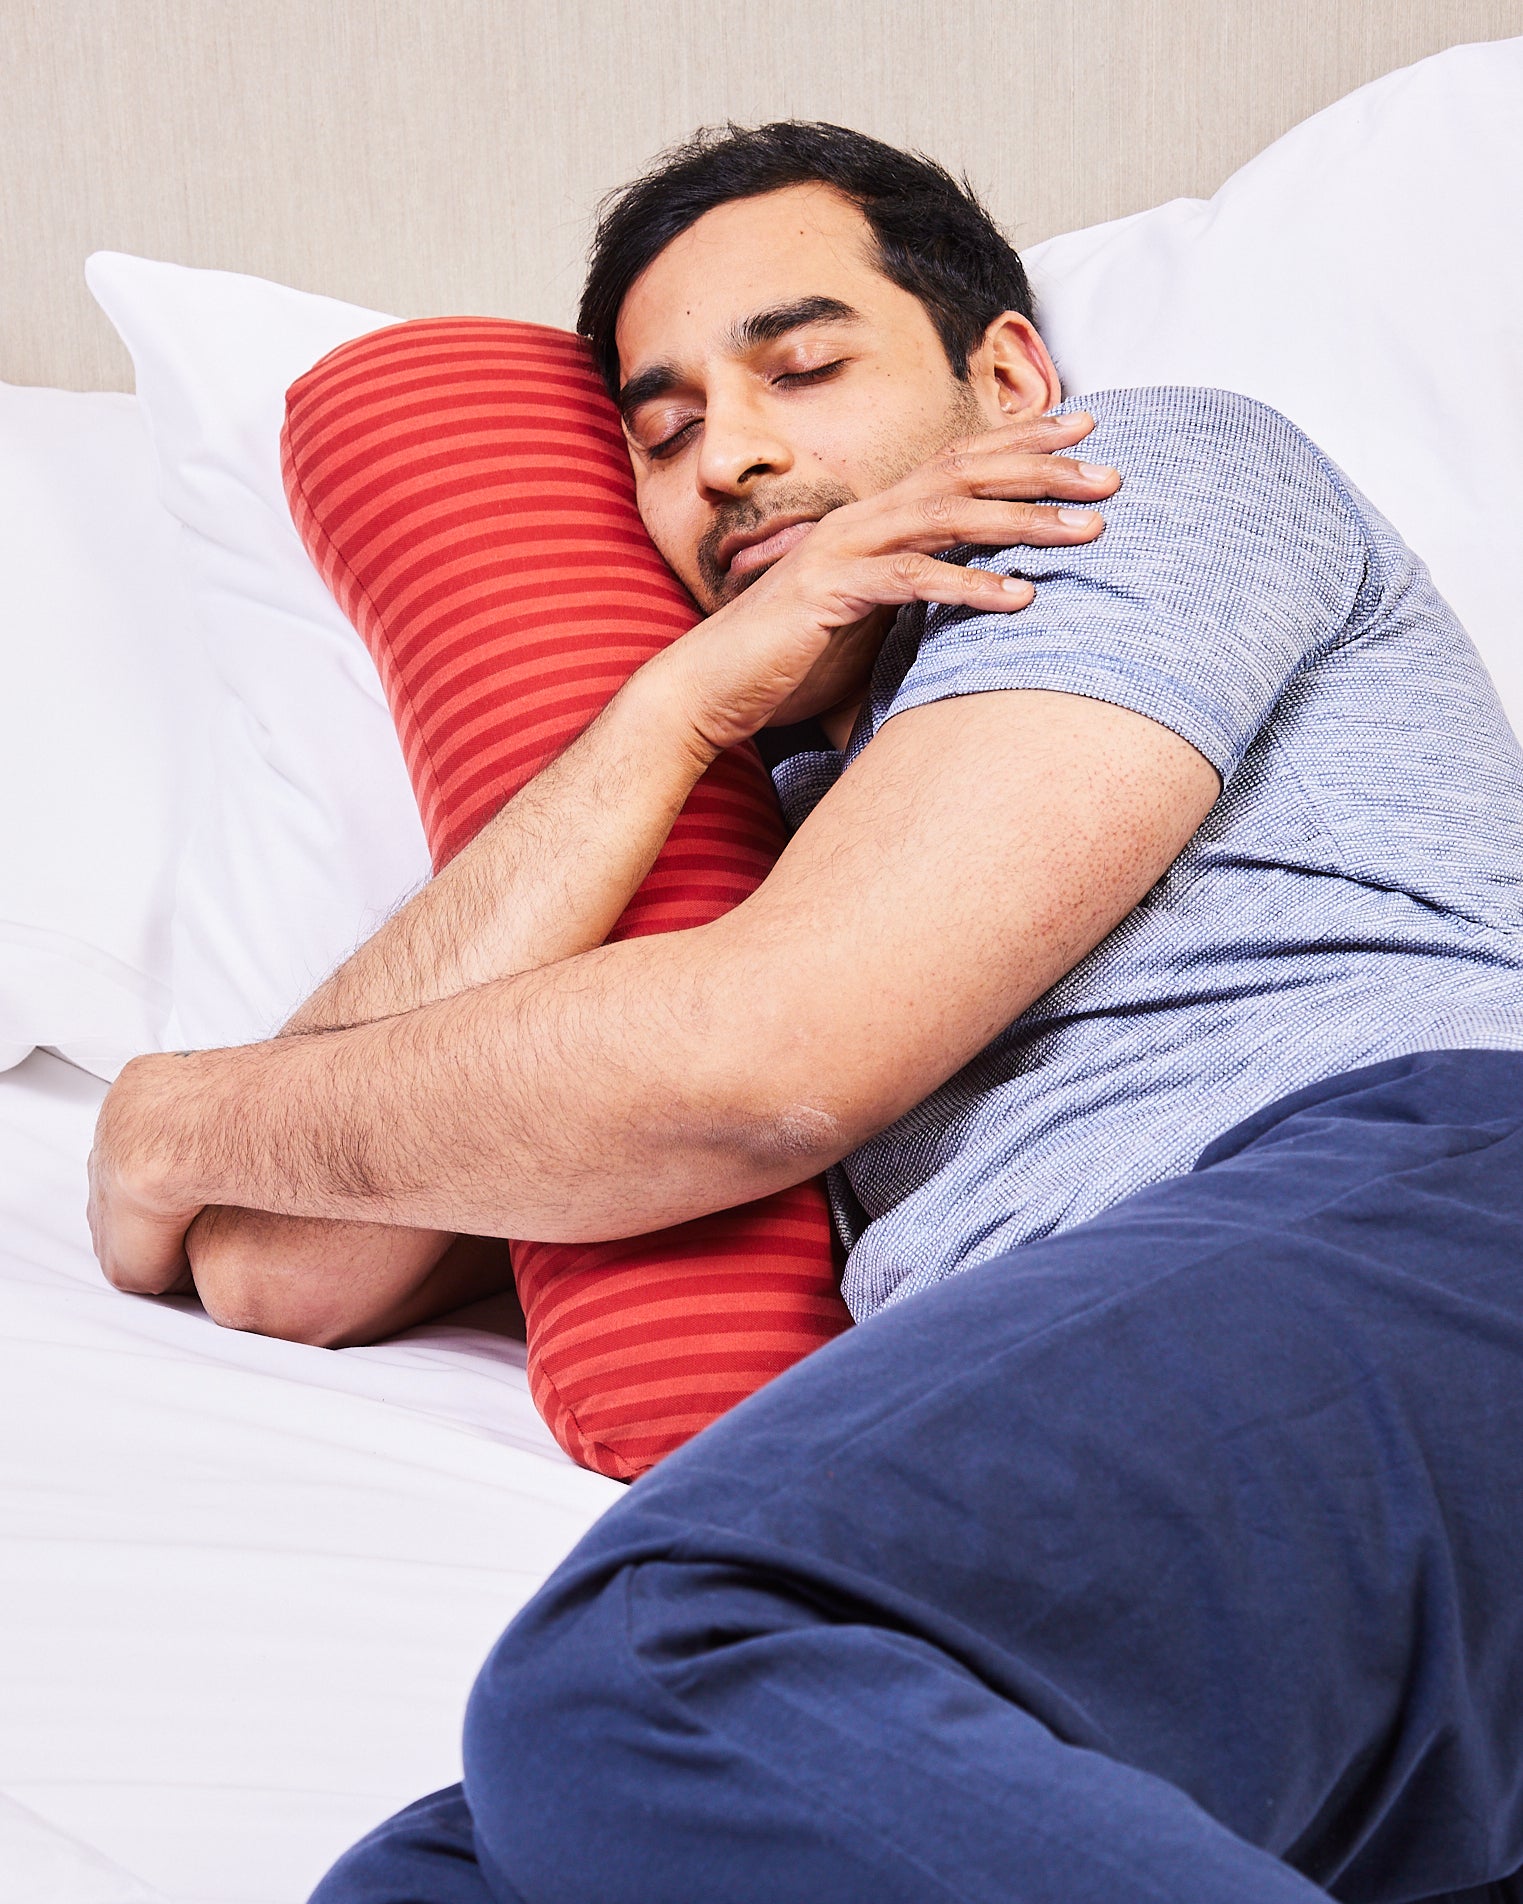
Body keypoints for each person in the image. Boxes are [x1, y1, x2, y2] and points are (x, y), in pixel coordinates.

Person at [90, 123, 1523, 1901]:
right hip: (1204, 1483)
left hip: (1421, 1206)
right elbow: (285, 1266)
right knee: (439, 1883)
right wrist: (668, 714)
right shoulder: (762, 821)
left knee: (665, 1670)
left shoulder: (1130, 486)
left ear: (1006, 375)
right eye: (668, 430)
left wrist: (165, 1118)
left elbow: (760, 1065)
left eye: (806, 367)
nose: (738, 459)